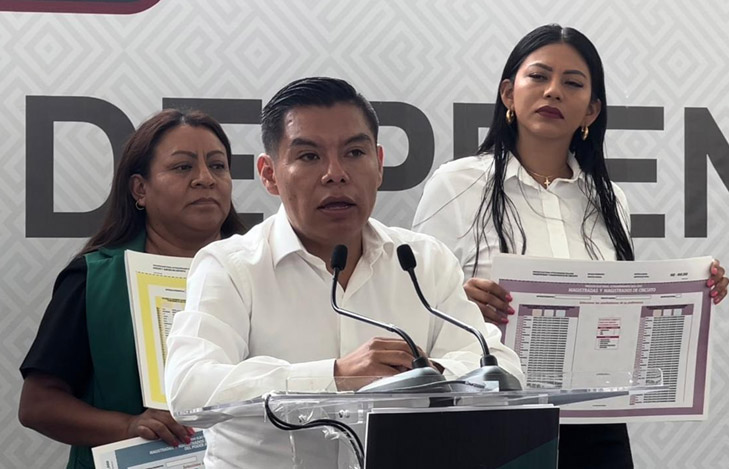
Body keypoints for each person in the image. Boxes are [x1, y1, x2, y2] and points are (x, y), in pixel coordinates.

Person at [413, 24, 729, 468]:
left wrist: (696, 289)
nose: (553, 91)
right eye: (538, 76)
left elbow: (624, 308)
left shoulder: (609, 199)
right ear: (508, 93)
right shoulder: (457, 184)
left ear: (591, 110)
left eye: (573, 83)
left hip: (595, 424)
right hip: (489, 417)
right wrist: (457, 300)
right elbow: (413, 305)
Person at [164, 77, 523, 468]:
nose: (335, 173)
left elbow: (501, 366)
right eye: (309, 156)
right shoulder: (230, 266)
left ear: (379, 164)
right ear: (269, 174)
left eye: (354, 152)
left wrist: (427, 374)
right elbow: (189, 388)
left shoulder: (423, 260)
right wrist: (334, 377)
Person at [19, 109, 246, 469]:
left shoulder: (268, 271)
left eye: (218, 166)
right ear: (140, 189)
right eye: (183, 167)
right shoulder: (94, 279)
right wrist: (128, 426)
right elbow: (38, 405)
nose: (205, 178)